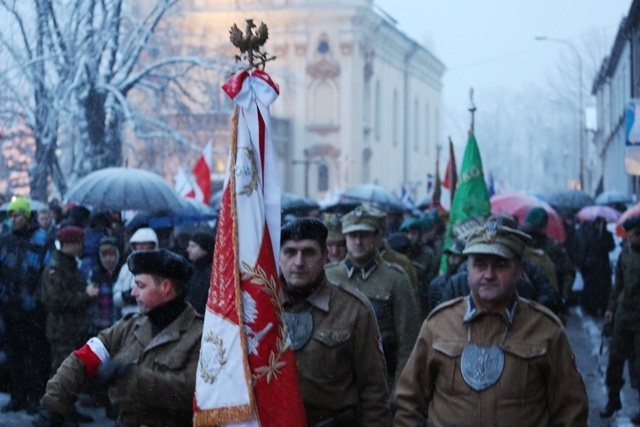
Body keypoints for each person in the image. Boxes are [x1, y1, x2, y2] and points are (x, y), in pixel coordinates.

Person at [394, 217, 588, 426]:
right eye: (480, 265)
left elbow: (571, 410)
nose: (489, 274)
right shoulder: (438, 324)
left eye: (500, 265)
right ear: (468, 270)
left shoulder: (546, 328)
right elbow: (408, 402)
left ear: (518, 270)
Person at [34, 249, 203, 426]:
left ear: (166, 287)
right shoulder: (129, 326)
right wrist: (52, 406)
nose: (133, 293)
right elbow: (81, 360)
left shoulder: (199, 335)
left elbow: (191, 391)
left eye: (141, 285)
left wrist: (130, 375)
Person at [280, 217, 391, 425]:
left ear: (325, 257)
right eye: (290, 252)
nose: (299, 262)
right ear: (278, 257)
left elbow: (373, 390)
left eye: (309, 252)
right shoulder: (258, 308)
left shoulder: (353, 309)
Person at [325, 206, 420, 388]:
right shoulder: (329, 276)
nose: (358, 242)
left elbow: (408, 338)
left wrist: (400, 388)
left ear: (376, 238)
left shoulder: (395, 278)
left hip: (382, 378)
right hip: (337, 381)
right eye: (353, 236)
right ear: (345, 238)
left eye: (364, 236)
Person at [0, 197, 53, 414]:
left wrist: (40, 300)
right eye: (12, 215)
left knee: (34, 355)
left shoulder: (42, 239)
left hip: (32, 308)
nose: (15, 218)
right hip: (9, 305)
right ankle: (17, 397)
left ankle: (34, 397)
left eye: (18, 214)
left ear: (27, 215)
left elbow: (47, 272)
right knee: (14, 355)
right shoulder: (5, 239)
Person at [40, 226, 99, 374]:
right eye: (78, 243)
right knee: (63, 373)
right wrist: (86, 295)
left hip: (72, 329)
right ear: (69, 243)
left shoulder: (70, 265)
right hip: (61, 330)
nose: (81, 246)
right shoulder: (56, 268)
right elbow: (55, 301)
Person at [601, 214, 640, 421]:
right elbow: (618, 285)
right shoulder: (625, 254)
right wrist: (611, 308)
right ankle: (613, 399)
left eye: (637, 235)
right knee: (615, 360)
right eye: (634, 235)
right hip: (624, 316)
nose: (635, 239)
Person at [112, 227, 159, 318]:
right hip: (127, 319)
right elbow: (116, 297)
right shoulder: (126, 268)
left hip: (149, 319)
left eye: (145, 244)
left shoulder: (158, 268)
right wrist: (126, 296)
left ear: (153, 245)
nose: (141, 247)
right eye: (138, 244)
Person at [574, 216, 615, 316]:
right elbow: (586, 248)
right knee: (592, 288)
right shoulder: (589, 233)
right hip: (592, 266)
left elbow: (611, 246)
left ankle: (602, 307)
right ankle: (591, 307)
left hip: (603, 266)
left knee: (604, 288)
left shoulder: (606, 234)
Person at [422, 238, 466, 318]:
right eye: (451, 255)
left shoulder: (466, 284)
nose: (453, 259)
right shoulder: (436, 283)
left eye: (457, 256)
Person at [186, 230, 216, 315]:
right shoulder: (193, 269)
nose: (188, 249)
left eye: (193, 246)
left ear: (205, 249)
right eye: (189, 245)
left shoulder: (212, 272)